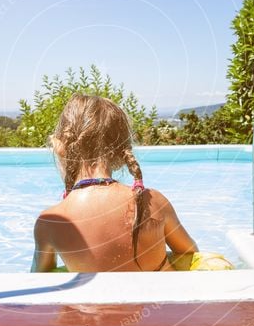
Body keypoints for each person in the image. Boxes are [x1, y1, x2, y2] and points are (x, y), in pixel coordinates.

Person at [31, 93, 199, 272]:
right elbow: (192, 257)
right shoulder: (153, 202)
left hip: (88, 301)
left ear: (60, 147)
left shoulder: (50, 222)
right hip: (153, 299)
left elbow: (39, 279)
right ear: (121, 150)